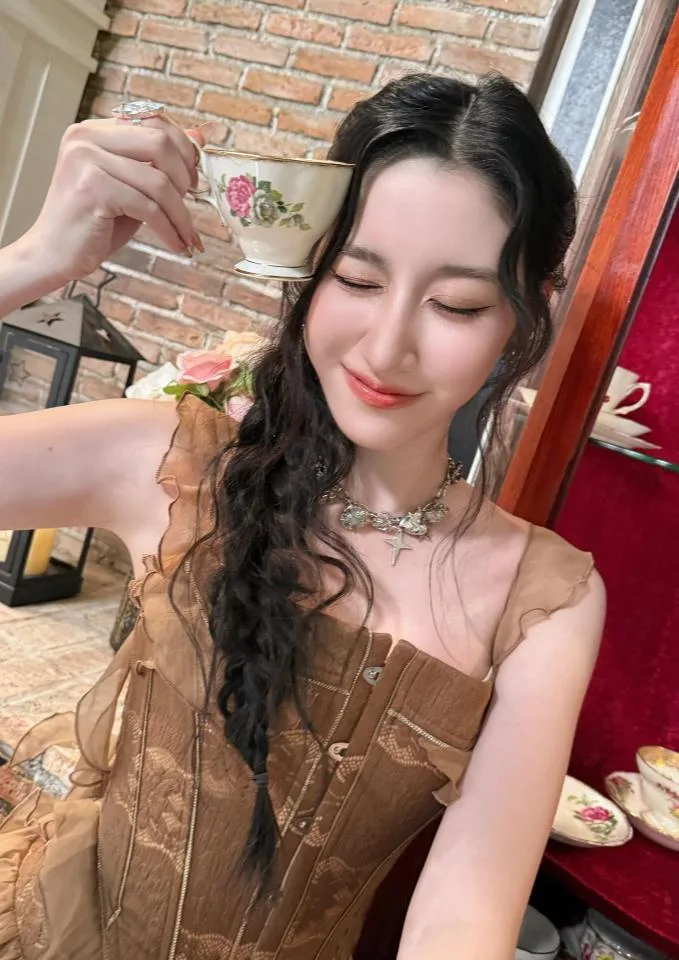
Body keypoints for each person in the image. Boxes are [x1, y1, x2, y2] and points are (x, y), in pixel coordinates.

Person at [0, 72, 605, 960]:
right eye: (355, 279)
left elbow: (461, 919)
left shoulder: (546, 600)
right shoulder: (167, 460)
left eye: (457, 305)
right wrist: (30, 262)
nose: (386, 347)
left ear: (524, 316)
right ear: (308, 272)